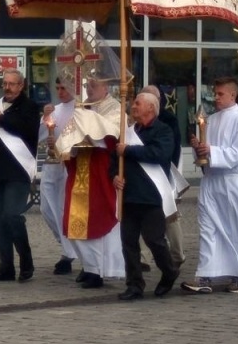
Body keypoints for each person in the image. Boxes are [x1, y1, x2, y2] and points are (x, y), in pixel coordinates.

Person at [182, 78, 238, 294]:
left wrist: (212, 151)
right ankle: (206, 275)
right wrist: (198, 148)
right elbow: (205, 151)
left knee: (235, 227)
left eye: (220, 94)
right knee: (208, 227)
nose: (215, 98)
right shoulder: (211, 119)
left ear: (232, 95)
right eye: (214, 93)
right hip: (211, 180)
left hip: (231, 180)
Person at [51, 73, 125, 290]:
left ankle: (101, 270)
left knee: (101, 220)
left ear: (106, 88)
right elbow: (69, 137)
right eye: (87, 85)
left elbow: (114, 135)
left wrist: (89, 127)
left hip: (103, 172)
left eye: (94, 85)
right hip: (81, 170)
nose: (89, 89)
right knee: (74, 221)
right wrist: (70, 144)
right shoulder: (84, 109)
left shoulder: (114, 108)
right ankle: (90, 266)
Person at [111, 91, 180, 300]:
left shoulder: (163, 131)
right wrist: (114, 176)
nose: (133, 106)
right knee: (128, 242)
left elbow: (157, 154)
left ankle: (169, 271)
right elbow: (114, 161)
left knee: (154, 240)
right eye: (134, 103)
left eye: (138, 103)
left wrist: (128, 150)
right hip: (130, 195)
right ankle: (134, 285)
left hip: (151, 196)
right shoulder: (128, 132)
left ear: (151, 108)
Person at [0, 69, 40, 282]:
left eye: (12, 84)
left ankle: (26, 261)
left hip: (18, 171)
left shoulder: (30, 107)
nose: (7, 87)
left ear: (21, 85)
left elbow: (26, 130)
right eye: (4, 83)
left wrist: (1, 118)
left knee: (12, 216)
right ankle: (6, 267)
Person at [38, 74, 77, 276]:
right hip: (52, 165)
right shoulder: (54, 110)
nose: (60, 92)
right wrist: (45, 120)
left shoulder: (81, 110)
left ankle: (68, 253)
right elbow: (43, 141)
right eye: (58, 88)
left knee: (66, 210)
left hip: (70, 167)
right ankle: (67, 247)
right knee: (47, 209)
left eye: (64, 88)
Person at [146, 85, 187, 270]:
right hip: (144, 174)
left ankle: (177, 254)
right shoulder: (138, 120)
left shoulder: (167, 120)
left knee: (169, 214)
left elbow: (174, 148)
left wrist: (171, 173)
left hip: (165, 172)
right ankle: (143, 258)